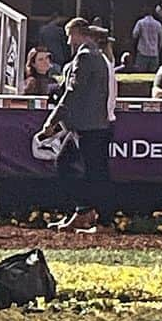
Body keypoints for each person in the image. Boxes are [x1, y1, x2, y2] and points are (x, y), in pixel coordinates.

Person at [37, 18, 111, 233]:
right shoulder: (98, 56)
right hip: (91, 125)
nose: (68, 42)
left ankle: (102, 220)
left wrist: (52, 121)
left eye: (70, 36)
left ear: (79, 34)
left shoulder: (85, 57)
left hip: (89, 127)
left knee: (89, 173)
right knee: (78, 167)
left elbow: (73, 92)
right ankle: (84, 211)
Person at [131, 6, 162, 73]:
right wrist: (158, 48)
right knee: (153, 75)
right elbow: (161, 37)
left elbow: (134, 35)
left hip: (142, 52)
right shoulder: (158, 24)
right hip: (154, 54)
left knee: (140, 75)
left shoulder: (140, 23)